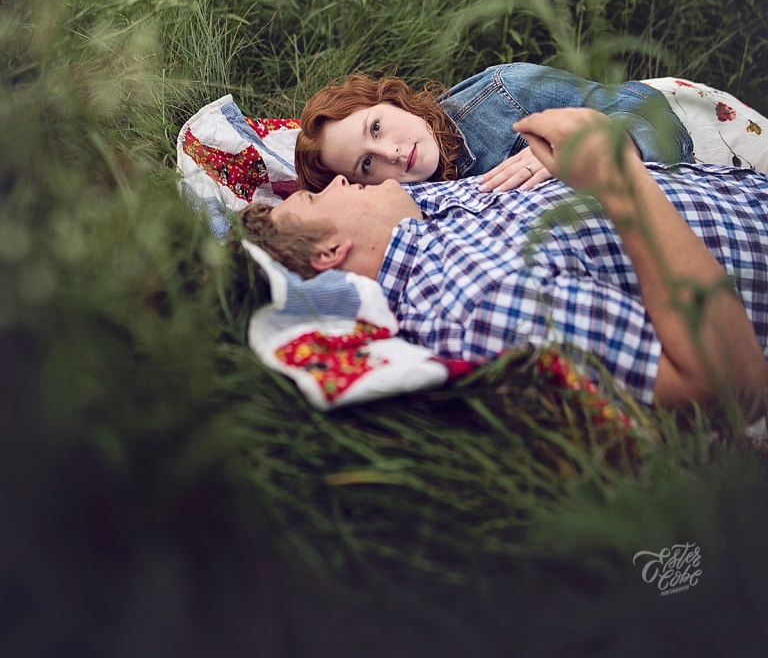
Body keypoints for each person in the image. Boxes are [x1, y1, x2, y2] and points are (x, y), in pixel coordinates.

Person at [243, 108, 768, 412]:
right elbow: (726, 385)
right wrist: (618, 177)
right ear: (331, 252)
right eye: (316, 198)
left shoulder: (417, 209)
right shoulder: (476, 297)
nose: (340, 181)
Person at [295, 64, 695, 194]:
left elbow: (661, 124)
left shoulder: (507, 91)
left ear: (391, 100)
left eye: (377, 128)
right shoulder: (411, 206)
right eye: (367, 164)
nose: (392, 154)